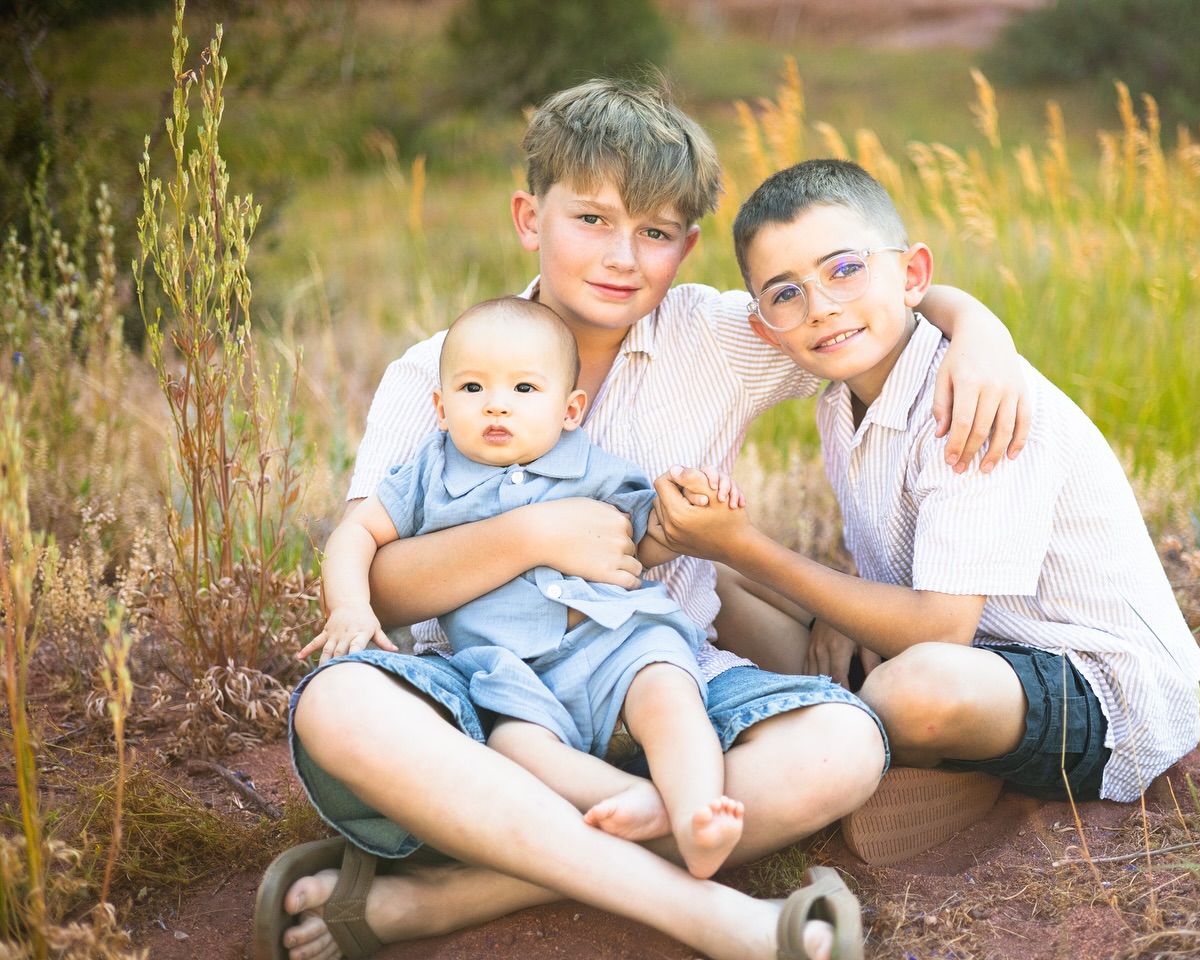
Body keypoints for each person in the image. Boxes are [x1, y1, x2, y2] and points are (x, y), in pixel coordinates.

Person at [257, 79, 1031, 960]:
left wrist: (979, 331)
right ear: (529, 218)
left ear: (686, 246)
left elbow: (868, 306)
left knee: (845, 743)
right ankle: (715, 917)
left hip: (665, 683)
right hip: (485, 696)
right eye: (591, 219)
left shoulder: (720, 340)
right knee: (339, 704)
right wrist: (533, 535)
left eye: (656, 233)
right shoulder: (438, 373)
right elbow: (381, 586)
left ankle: (443, 896)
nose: (622, 257)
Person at [652, 158, 1200, 865]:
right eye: (786, 293)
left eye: (845, 269)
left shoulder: (968, 400)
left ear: (911, 274)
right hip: (965, 649)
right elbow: (912, 585)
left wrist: (746, 544)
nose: (821, 307)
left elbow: (941, 630)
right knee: (709, 577)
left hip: (1090, 686)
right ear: (766, 329)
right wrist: (804, 590)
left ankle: (898, 755)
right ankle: (904, 757)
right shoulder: (840, 399)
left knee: (911, 690)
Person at [302, 295, 751, 879]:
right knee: (515, 747)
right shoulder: (429, 472)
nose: (497, 405)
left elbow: (642, 541)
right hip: (511, 668)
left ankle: (698, 814)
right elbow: (356, 532)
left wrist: (694, 505)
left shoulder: (592, 466)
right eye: (472, 388)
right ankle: (628, 797)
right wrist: (349, 605)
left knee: (670, 694)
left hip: (617, 638)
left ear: (570, 410)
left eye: (523, 389)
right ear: (440, 408)